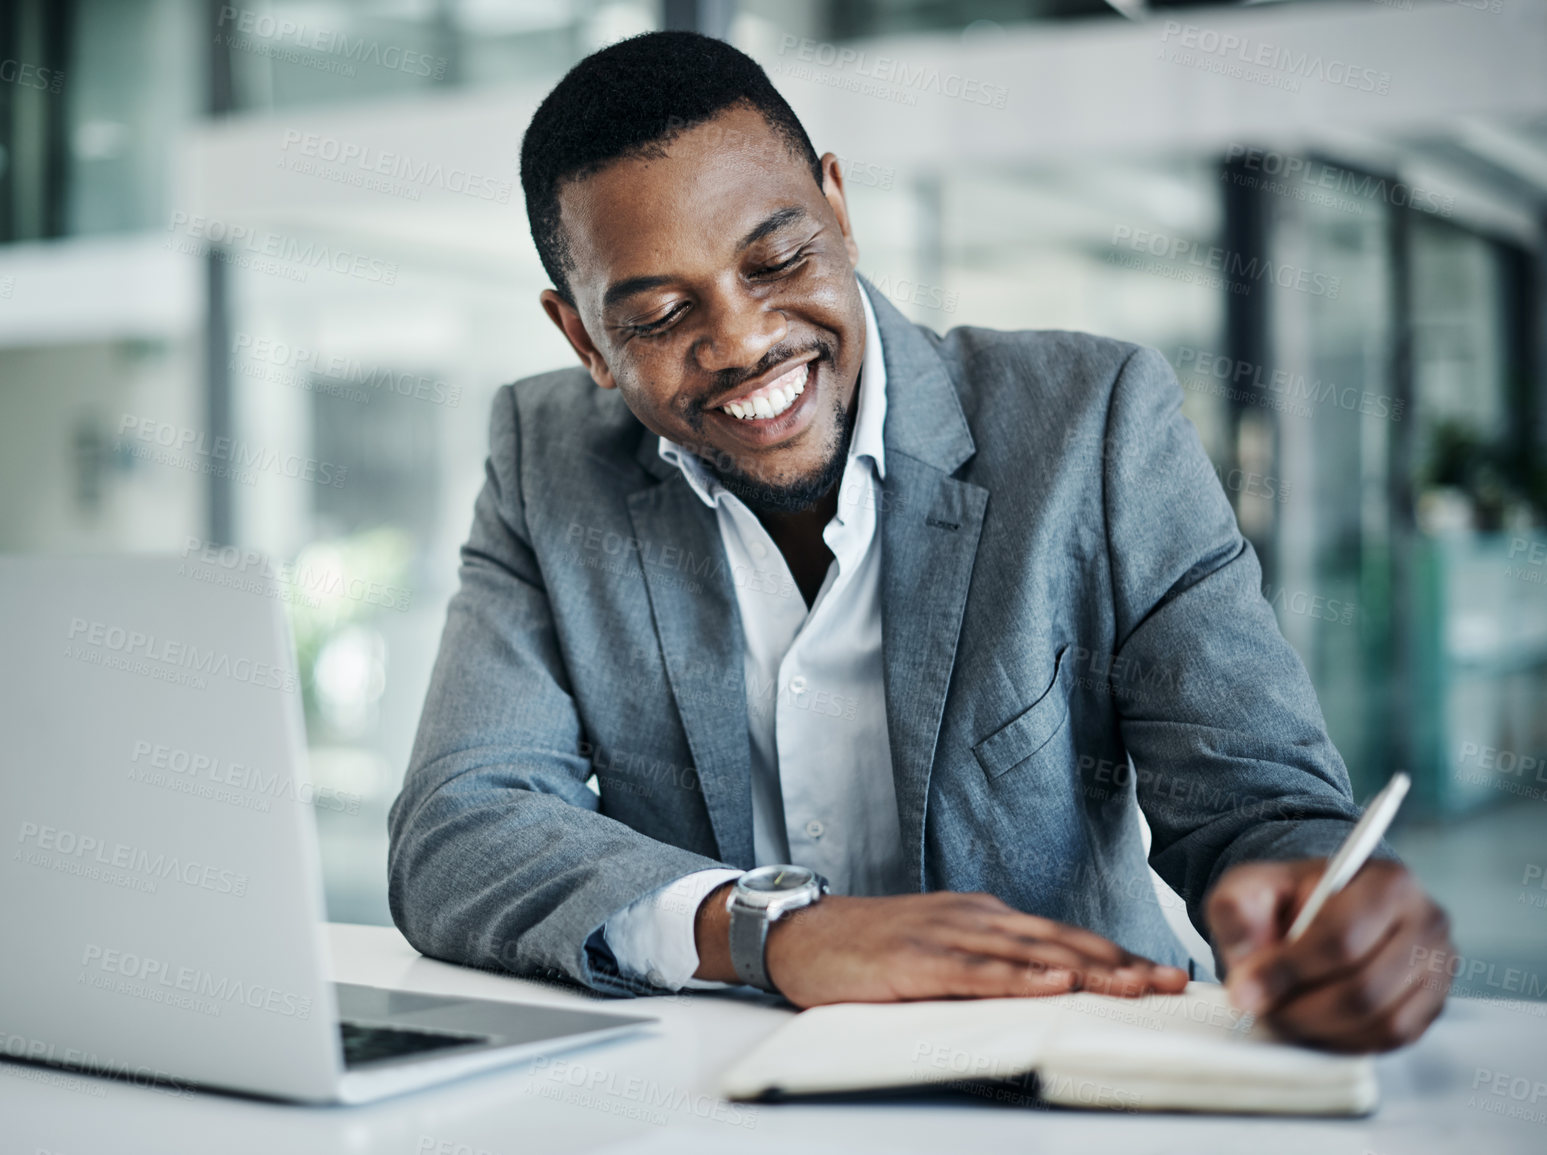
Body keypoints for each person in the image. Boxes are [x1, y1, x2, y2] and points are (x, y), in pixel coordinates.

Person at [387, 31, 1452, 1053]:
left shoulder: (1092, 422)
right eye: (663, 314)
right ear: (582, 337)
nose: (745, 341)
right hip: (712, 1094)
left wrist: (1330, 905)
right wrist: (771, 933)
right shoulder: (545, 458)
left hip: (1067, 1075)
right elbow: (460, 824)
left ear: (839, 212)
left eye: (778, 258)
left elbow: (1260, 807)